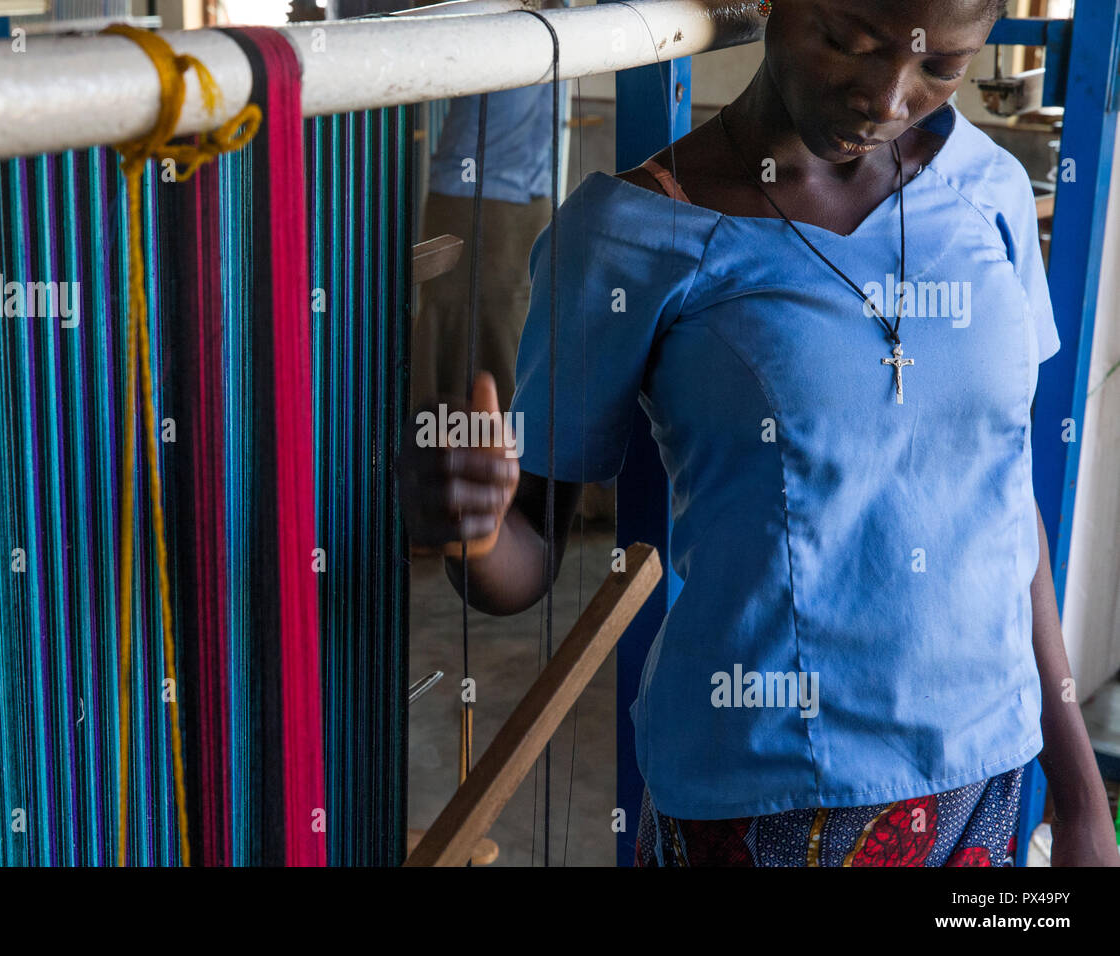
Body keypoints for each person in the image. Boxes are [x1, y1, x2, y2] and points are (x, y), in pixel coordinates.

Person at [398, 0, 1120, 866]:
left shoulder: (990, 188)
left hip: (987, 781)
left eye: (941, 67)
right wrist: (472, 532)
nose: (887, 99)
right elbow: (528, 562)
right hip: (769, 803)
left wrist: (1077, 795)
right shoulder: (627, 237)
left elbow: (1005, 499)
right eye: (847, 43)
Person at [411, 0, 571, 413]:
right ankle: (470, 459)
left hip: (503, 200)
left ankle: (489, 462)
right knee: (482, 341)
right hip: (487, 200)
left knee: (497, 340)